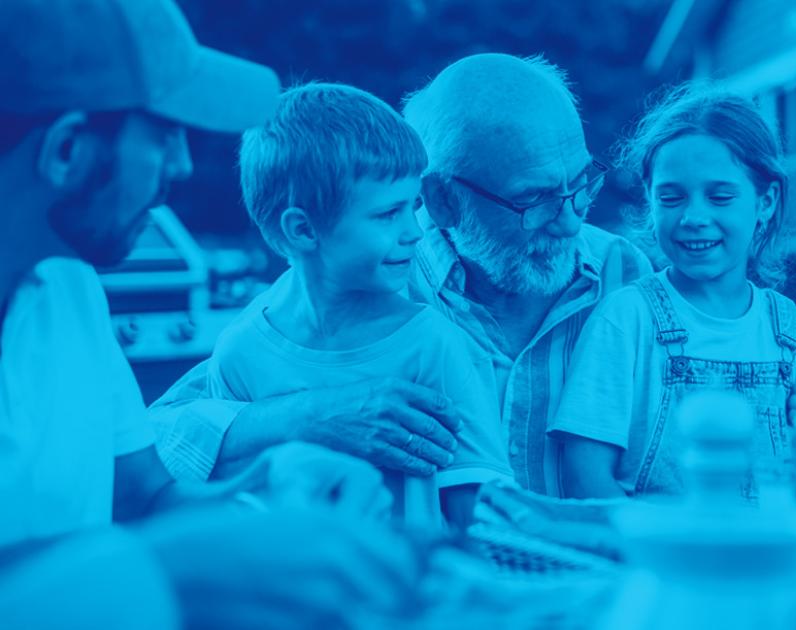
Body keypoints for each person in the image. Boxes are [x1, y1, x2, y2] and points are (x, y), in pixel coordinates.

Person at [0, 0, 424, 625]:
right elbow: (145, 545)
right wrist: (157, 565)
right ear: (66, 150)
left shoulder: (70, 284)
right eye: (163, 134)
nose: (184, 164)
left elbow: (145, 497)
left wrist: (263, 484)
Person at [149, 53, 656, 497]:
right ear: (440, 200)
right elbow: (159, 437)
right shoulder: (360, 281)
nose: (572, 220)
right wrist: (311, 415)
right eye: (534, 198)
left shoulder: (624, 273)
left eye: (582, 182)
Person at [210, 82, 511, 529]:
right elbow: (232, 506)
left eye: (414, 207)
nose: (414, 231)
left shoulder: (433, 343)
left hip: (409, 589)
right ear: (303, 231)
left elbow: (479, 517)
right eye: (388, 214)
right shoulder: (239, 354)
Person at [548, 82, 796, 500]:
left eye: (720, 196)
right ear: (650, 200)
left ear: (765, 202)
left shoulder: (795, 335)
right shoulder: (627, 319)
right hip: (656, 558)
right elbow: (586, 476)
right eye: (672, 197)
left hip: (765, 558)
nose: (694, 217)